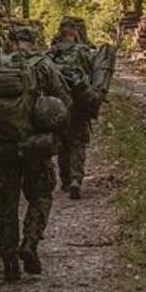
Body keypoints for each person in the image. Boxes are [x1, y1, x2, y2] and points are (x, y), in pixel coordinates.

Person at [0, 25, 72, 282]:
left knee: (5, 203)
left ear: (10, 42)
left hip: (0, 150)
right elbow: (64, 102)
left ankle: (9, 260)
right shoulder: (43, 65)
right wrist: (59, 136)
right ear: (33, 41)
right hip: (35, 146)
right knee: (42, 194)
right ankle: (30, 243)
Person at [48, 18, 95, 199]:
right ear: (74, 34)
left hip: (59, 104)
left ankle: (66, 180)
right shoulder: (84, 52)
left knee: (63, 144)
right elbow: (92, 76)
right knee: (78, 143)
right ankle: (76, 178)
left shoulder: (52, 54)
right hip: (80, 103)